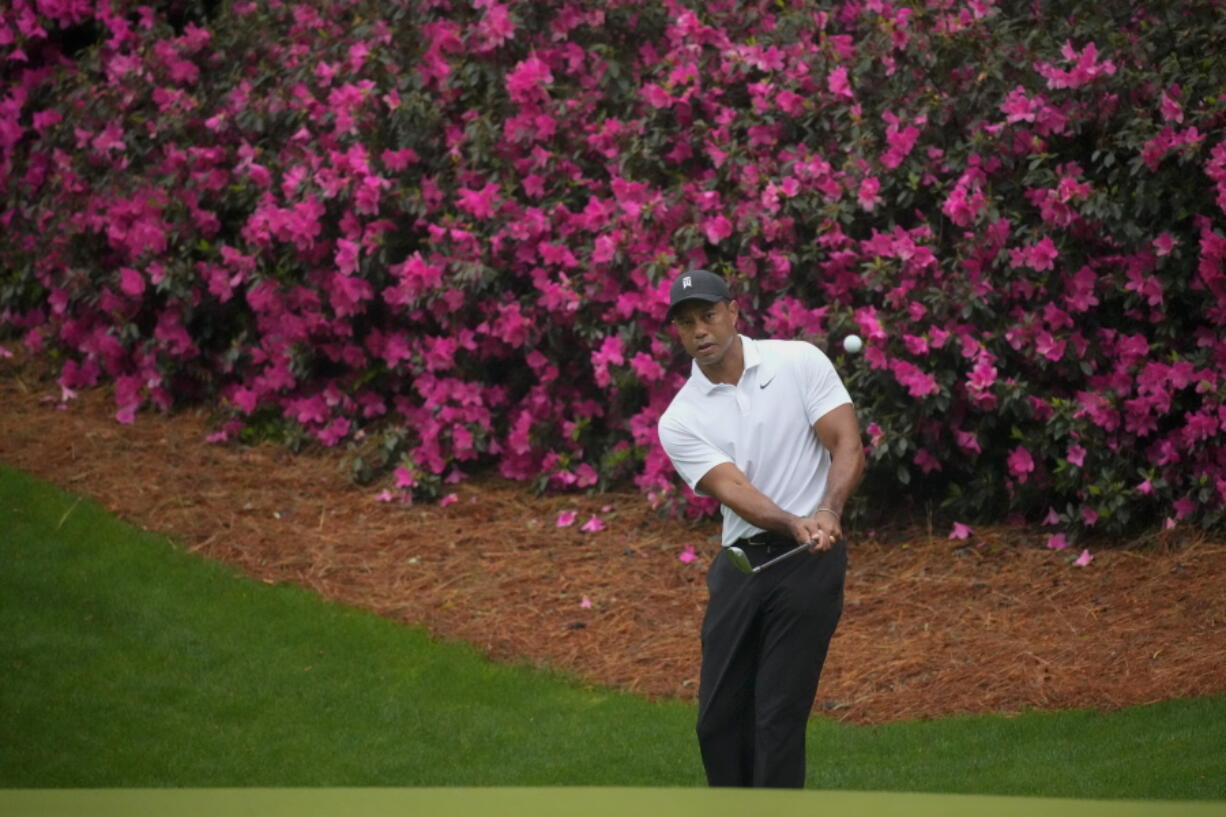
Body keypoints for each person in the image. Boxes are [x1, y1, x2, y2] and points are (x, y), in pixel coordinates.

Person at [657, 268, 865, 789]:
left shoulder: (797, 361)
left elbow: (845, 441)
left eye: (707, 315)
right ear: (678, 334)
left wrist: (829, 511)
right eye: (686, 323)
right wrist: (794, 520)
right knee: (717, 721)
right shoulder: (679, 418)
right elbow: (734, 489)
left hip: (810, 565)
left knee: (777, 718)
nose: (699, 329)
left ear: (732, 310)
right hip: (743, 563)